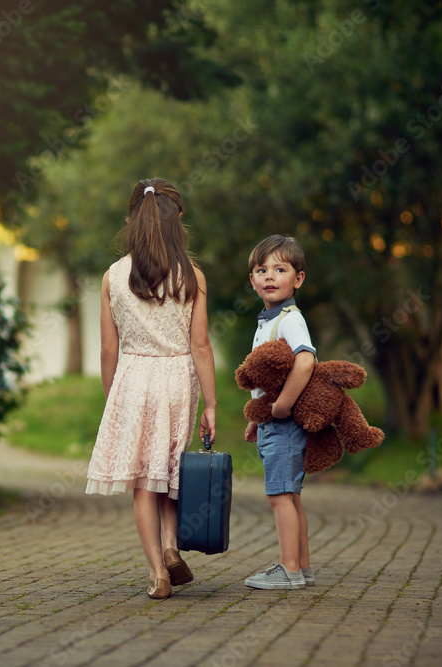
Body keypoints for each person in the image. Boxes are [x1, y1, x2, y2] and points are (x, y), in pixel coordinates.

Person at [85, 177, 217, 600]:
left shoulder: (112, 276)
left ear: (130, 220)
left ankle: (158, 573)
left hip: (134, 379)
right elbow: (200, 344)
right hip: (179, 378)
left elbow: (109, 348)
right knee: (172, 471)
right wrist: (211, 404)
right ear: (179, 221)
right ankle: (172, 545)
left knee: (144, 479)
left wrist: (113, 397)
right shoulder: (192, 276)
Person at [243, 234, 316, 590]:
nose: (270, 276)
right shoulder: (267, 320)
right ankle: (301, 566)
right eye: (262, 270)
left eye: (280, 269)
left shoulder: (289, 318)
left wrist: (282, 406)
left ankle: (288, 570)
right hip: (272, 423)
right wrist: (257, 416)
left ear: (297, 279)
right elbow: (267, 376)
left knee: (279, 496)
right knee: (291, 494)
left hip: (284, 424)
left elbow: (305, 361)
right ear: (253, 280)